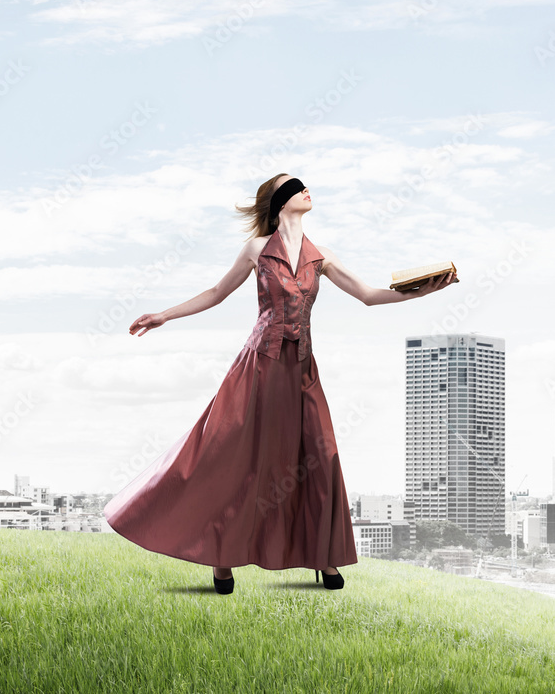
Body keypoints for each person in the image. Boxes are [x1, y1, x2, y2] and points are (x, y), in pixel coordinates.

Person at [102, 173, 456, 594]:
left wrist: (422, 292)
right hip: (258, 368)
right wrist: (164, 315)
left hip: (302, 370)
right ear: (280, 202)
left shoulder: (321, 256)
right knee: (230, 456)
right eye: (296, 187)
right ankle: (220, 557)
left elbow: (368, 295)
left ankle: (325, 558)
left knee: (320, 457)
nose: (307, 190)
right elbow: (216, 293)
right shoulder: (256, 250)